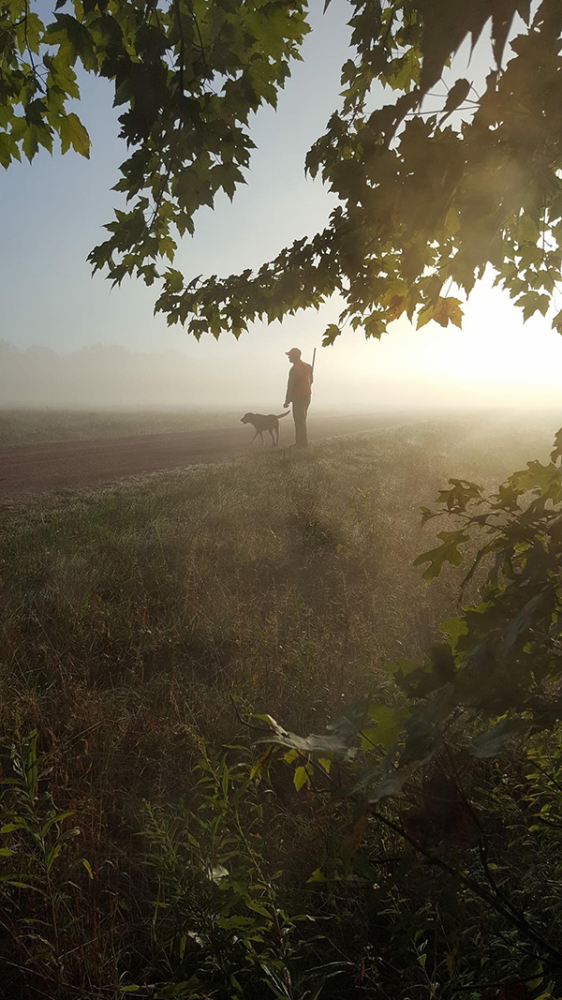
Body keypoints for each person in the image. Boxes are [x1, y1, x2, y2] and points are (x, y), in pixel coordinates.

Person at [284, 347, 313, 448]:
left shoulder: (294, 369)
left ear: (294, 357)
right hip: (307, 397)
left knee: (299, 421)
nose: (288, 358)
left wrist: (287, 400)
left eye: (290, 356)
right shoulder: (308, 366)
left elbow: (290, 386)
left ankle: (301, 444)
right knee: (302, 420)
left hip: (299, 398)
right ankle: (301, 443)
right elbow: (311, 380)